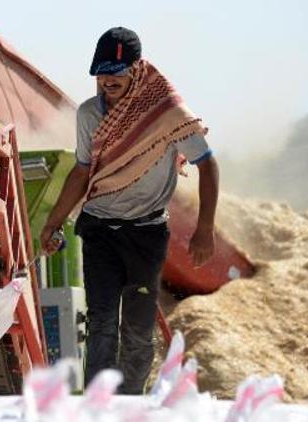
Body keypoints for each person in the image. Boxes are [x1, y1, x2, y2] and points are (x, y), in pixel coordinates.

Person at [39, 27, 220, 394]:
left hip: (146, 234)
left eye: (116, 71)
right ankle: (98, 404)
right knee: (101, 320)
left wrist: (205, 228)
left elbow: (208, 164)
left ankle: (131, 406)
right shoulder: (90, 114)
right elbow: (82, 170)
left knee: (137, 329)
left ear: (136, 70)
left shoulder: (166, 113)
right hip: (100, 230)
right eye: (101, 72)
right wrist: (53, 222)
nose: (108, 80)